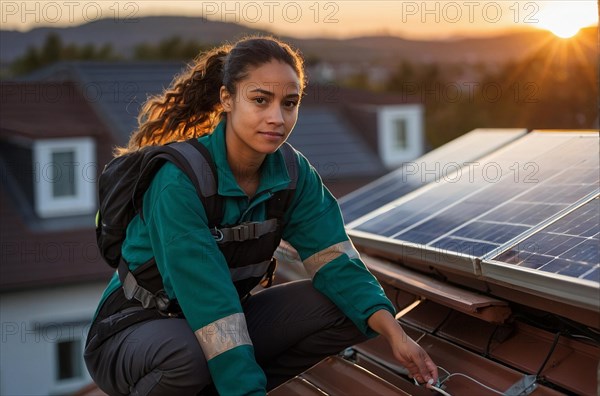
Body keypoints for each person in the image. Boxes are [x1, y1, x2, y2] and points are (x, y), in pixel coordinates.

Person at [84, 36, 438, 396]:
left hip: (223, 319)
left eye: (290, 103)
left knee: (352, 310)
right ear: (227, 99)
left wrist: (397, 335)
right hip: (132, 332)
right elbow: (211, 303)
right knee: (189, 357)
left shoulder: (293, 173)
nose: (277, 118)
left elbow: (336, 259)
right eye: (260, 100)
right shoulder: (178, 181)